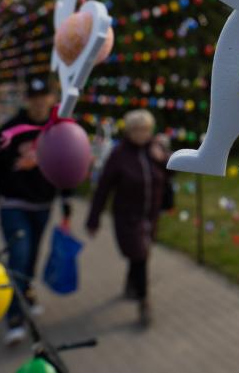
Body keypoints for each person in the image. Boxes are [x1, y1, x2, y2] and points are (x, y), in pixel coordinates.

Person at [0, 74, 72, 346]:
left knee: (32, 255)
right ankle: (14, 317)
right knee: (19, 256)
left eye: (43, 96)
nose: (38, 102)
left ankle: (27, 294)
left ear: (52, 98)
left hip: (43, 204)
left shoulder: (58, 130)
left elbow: (66, 165)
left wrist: (66, 202)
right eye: (33, 97)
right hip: (13, 204)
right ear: (26, 100)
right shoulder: (10, 130)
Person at [86, 109, 169, 326]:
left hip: (151, 216)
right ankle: (144, 301)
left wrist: (163, 160)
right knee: (140, 255)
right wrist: (93, 219)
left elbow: (171, 173)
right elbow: (103, 188)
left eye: (145, 129)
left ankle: (131, 284)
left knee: (141, 254)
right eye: (136, 129)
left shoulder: (156, 149)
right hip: (127, 217)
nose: (141, 134)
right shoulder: (119, 155)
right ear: (129, 131)